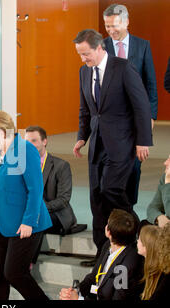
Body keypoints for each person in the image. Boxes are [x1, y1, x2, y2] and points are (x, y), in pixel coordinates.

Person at [72, 29, 152, 266]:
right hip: (97, 143)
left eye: (85, 53)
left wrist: (143, 140)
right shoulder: (84, 72)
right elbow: (85, 109)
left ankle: (141, 232)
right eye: (79, 54)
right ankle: (102, 254)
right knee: (97, 198)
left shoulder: (123, 67)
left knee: (111, 190)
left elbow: (141, 106)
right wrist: (81, 137)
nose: (82, 59)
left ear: (99, 48)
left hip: (122, 143)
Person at [0, 110, 52, 300]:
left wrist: (28, 221)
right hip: (1, 223)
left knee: (14, 273)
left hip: (25, 224)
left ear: (1, 132)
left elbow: (35, 189)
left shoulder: (25, 149)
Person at [103, 4, 158, 208]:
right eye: (107, 26)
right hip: (111, 119)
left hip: (136, 117)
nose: (111, 30)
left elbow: (150, 84)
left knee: (134, 166)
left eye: (114, 25)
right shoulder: (102, 46)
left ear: (126, 22)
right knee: (110, 168)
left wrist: (150, 117)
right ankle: (115, 214)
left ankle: (129, 209)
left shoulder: (142, 46)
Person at [59, 209, 143, 300]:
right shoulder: (108, 245)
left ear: (108, 232)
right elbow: (93, 276)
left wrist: (78, 299)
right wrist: (76, 291)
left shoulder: (126, 265)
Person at [25, 125, 77, 235]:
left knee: (32, 221)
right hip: (30, 212)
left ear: (44, 141)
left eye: (34, 141)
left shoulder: (61, 166)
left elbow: (63, 199)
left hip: (56, 214)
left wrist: (38, 209)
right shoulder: (22, 166)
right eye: (27, 141)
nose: (29, 145)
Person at [137, 224, 170, 300]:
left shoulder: (163, 275)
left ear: (147, 246)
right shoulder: (142, 263)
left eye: (140, 239)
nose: (137, 241)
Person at [146, 154, 170, 227]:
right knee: (144, 224)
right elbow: (152, 207)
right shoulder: (165, 177)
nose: (165, 163)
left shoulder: (167, 179)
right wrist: (159, 217)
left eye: (169, 160)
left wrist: (168, 184)